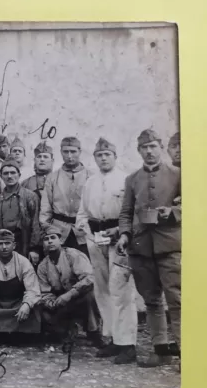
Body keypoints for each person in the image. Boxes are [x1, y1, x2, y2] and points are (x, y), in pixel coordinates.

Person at [117, 129, 181, 368]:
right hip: (140, 248)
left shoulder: (177, 174)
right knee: (152, 301)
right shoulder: (132, 179)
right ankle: (161, 350)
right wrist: (124, 234)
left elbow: (195, 203)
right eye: (144, 147)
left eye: (153, 146)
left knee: (177, 300)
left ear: (161, 147)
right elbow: (126, 212)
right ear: (139, 151)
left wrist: (172, 212)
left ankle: (187, 351)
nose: (149, 151)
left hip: (170, 247)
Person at [75, 138, 138, 364]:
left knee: (121, 289)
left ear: (114, 156)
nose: (103, 158)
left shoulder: (126, 180)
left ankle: (128, 343)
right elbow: (82, 212)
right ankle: (112, 337)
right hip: (96, 239)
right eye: (99, 155)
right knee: (102, 289)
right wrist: (84, 229)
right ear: (94, 158)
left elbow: (133, 213)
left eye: (107, 154)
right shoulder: (90, 182)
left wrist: (120, 231)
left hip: (119, 240)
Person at [37, 226, 102, 345]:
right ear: (43, 244)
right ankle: (66, 329)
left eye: (53, 237)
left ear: (60, 240)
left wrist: (70, 294)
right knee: (43, 313)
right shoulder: (43, 266)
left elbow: (89, 278)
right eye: (46, 239)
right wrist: (52, 303)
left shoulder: (73, 255)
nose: (50, 241)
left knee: (91, 296)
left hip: (79, 297)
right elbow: (44, 291)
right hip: (60, 302)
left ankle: (94, 332)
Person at [39, 137, 91, 255]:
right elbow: (45, 210)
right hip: (59, 233)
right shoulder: (52, 177)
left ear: (80, 152)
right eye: (65, 152)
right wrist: (50, 231)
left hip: (84, 233)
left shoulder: (90, 177)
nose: (69, 155)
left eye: (73, 151)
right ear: (61, 152)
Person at [0, 160, 41, 261]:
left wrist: (34, 249)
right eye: (6, 173)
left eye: (13, 172)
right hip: (5, 245)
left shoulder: (30, 196)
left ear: (19, 175)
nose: (9, 176)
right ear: (1, 176)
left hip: (24, 243)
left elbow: (36, 224)